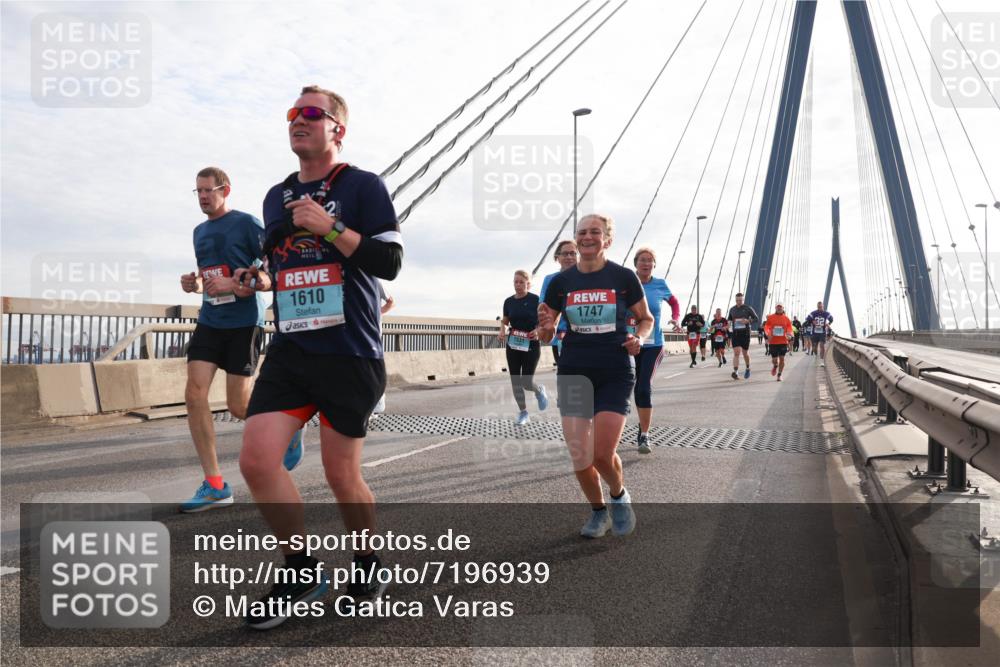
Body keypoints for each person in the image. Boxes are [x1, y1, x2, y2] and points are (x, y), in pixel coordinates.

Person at [234, 85, 403, 630]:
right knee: (257, 462)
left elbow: (390, 260)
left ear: (337, 129)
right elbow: (276, 268)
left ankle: (366, 563)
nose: (298, 120)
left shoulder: (363, 186)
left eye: (312, 113)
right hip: (291, 349)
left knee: (341, 476)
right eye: (292, 113)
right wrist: (247, 282)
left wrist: (329, 225)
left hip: (349, 351)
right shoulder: (274, 196)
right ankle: (301, 569)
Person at [179, 166, 298, 513]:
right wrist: (195, 285)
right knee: (194, 392)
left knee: (237, 406)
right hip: (210, 321)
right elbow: (207, 275)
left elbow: (274, 271)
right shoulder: (199, 232)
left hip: (244, 323)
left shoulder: (247, 224)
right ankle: (215, 484)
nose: (202, 197)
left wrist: (240, 284)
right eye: (197, 191)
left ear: (225, 190)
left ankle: (287, 427)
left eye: (208, 190)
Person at [537, 213, 653, 539]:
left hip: (614, 371)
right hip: (574, 370)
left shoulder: (624, 277)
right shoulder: (561, 283)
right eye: (582, 232)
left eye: (595, 232)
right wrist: (545, 329)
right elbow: (546, 333)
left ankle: (619, 495)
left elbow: (645, 319)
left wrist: (640, 339)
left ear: (607, 240)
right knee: (579, 454)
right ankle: (598, 511)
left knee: (601, 454)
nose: (587, 237)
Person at [628, 247, 680, 454]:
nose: (646, 263)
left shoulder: (660, 284)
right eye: (642, 260)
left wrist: (675, 318)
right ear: (636, 263)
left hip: (654, 344)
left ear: (654, 265)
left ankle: (644, 434)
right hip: (631, 343)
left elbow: (674, 303)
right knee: (633, 386)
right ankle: (641, 425)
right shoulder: (627, 283)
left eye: (650, 260)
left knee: (643, 387)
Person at [500, 270, 548, 425]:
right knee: (515, 380)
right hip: (513, 343)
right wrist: (502, 331)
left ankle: (538, 390)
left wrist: (538, 330)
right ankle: (523, 413)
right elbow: (505, 320)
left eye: (521, 282)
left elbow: (544, 320)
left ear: (528, 283)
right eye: (516, 282)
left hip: (531, 343)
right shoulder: (508, 301)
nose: (518, 285)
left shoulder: (536, 300)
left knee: (526, 381)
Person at [538, 240, 578, 366]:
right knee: (565, 375)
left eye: (573, 253)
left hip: (582, 336)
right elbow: (544, 305)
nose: (569, 257)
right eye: (565, 254)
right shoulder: (550, 279)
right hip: (559, 336)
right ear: (557, 257)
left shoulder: (586, 277)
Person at [370, 281, 394, 422]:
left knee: (374, 371)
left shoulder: (375, 280)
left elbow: (391, 302)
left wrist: (376, 314)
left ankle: (376, 407)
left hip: (373, 335)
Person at [727, 292, 759, 380]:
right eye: (737, 300)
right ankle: (736, 372)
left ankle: (748, 368)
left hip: (745, 334)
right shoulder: (732, 309)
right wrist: (728, 323)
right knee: (736, 353)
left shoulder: (748, 308)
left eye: (740, 300)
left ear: (743, 300)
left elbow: (756, 318)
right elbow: (729, 319)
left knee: (745, 353)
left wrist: (748, 321)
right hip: (736, 334)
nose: (738, 302)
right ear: (735, 300)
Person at [763, 303, 794, 381]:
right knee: (774, 360)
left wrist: (790, 334)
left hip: (783, 341)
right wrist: (767, 333)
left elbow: (790, 328)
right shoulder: (770, 317)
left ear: (783, 308)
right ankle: (775, 366)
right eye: (778, 307)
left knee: (782, 358)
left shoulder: (786, 319)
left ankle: (779, 375)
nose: (779, 308)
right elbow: (766, 327)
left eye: (780, 307)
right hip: (773, 342)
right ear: (775, 308)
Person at [808, 301, 834, 367]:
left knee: (822, 345)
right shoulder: (813, 313)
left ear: (823, 306)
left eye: (821, 307)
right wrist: (812, 321)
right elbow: (808, 319)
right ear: (817, 307)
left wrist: (828, 324)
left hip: (822, 332)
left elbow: (831, 318)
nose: (820, 308)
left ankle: (822, 361)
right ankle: (816, 354)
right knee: (814, 347)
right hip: (815, 332)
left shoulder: (826, 313)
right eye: (819, 307)